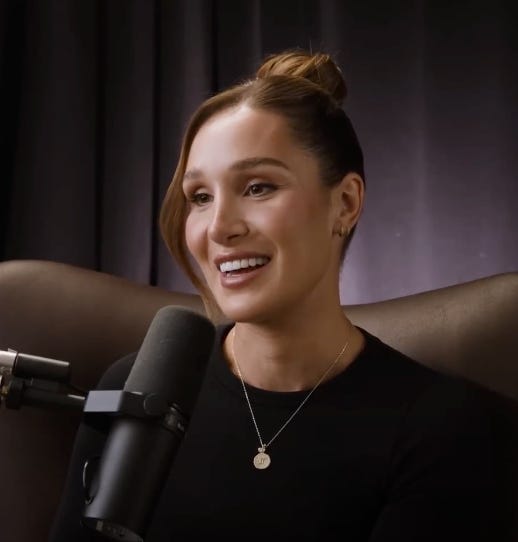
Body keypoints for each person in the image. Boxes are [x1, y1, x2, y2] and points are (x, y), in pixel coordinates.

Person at [50, 49, 496, 541]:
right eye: (200, 197)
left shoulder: (443, 427)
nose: (218, 227)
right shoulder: (134, 389)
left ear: (345, 203)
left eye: (258, 187)